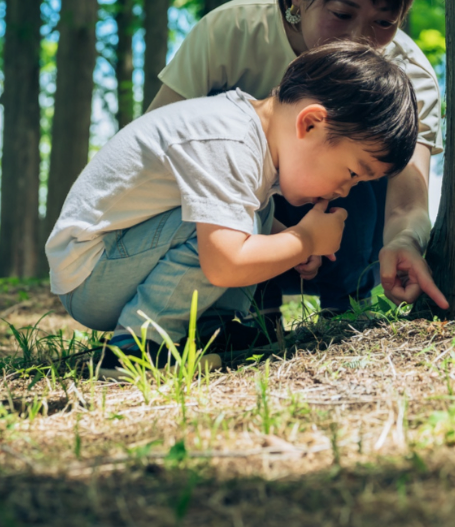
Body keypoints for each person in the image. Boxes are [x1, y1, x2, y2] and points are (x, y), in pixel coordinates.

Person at [147, 0, 449, 329]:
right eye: (342, 14)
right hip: (221, 241)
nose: (361, 38)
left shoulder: (408, 73)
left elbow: (407, 203)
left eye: (384, 23)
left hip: (342, 240)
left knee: (366, 143)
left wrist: (404, 241)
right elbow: (159, 141)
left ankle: (345, 311)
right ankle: (243, 314)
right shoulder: (231, 34)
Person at [45, 42, 421, 368]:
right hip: (93, 272)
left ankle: (210, 331)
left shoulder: (252, 142)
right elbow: (224, 262)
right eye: (353, 172)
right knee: (223, 231)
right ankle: (139, 345)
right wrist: (303, 240)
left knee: (248, 217)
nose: (345, 190)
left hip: (121, 261)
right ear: (310, 124)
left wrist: (285, 239)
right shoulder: (231, 140)